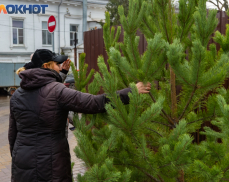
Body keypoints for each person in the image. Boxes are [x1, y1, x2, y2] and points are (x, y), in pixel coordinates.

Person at [8, 49, 151, 182]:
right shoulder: (57, 91)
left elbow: (12, 135)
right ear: (46, 66)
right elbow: (94, 103)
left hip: (22, 161)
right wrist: (130, 91)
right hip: (50, 163)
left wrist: (18, 158)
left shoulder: (17, 95)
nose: (60, 67)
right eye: (57, 64)